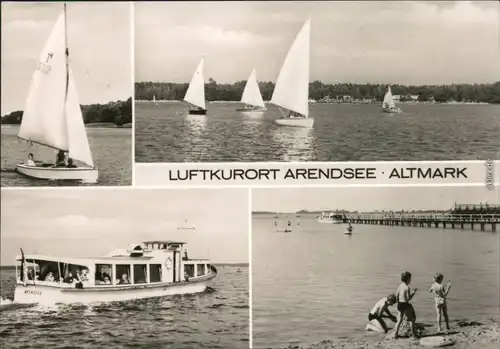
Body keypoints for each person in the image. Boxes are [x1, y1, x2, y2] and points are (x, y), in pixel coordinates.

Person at [394, 271, 418, 339]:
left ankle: (395, 334)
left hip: (399, 305)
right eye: (410, 279)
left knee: (399, 320)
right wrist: (413, 293)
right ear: (407, 279)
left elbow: (396, 296)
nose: (410, 280)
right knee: (411, 320)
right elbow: (408, 299)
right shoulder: (407, 288)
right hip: (405, 305)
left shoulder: (400, 285)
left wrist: (398, 302)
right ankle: (413, 335)